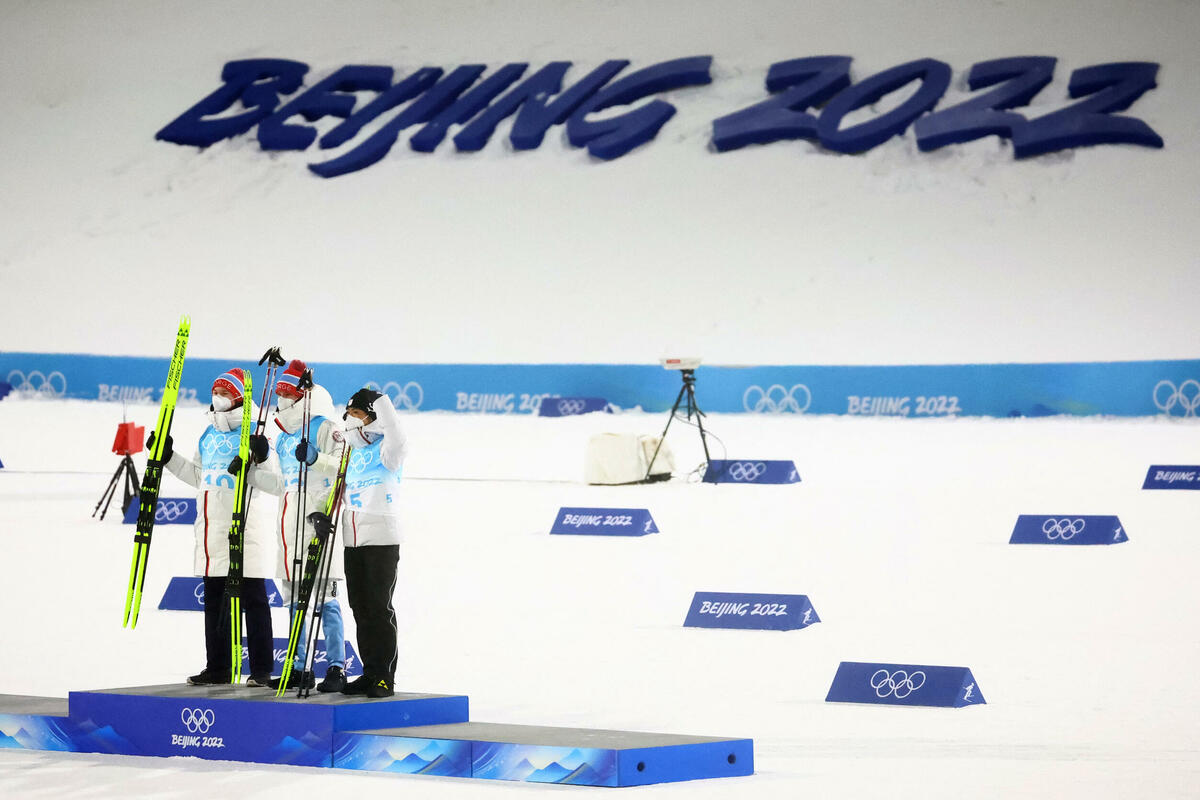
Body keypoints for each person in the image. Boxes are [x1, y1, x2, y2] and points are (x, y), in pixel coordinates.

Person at [150, 368, 276, 686]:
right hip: (210, 531)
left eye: (224, 393)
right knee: (215, 601)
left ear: (238, 398)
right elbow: (198, 476)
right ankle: (218, 667)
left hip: (244, 529)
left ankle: (262, 669)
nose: (217, 398)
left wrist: (262, 456)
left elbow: (275, 479)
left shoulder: (255, 431)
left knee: (254, 601)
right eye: (215, 392)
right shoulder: (208, 434)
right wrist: (168, 457)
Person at [251, 359, 348, 692]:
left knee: (325, 599)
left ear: (303, 395)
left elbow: (344, 466)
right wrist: (252, 471)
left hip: (319, 525)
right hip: (289, 532)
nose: (282, 400)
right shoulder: (284, 437)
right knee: (294, 601)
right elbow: (283, 484)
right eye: (280, 394)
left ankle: (336, 667)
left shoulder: (325, 427)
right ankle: (297, 666)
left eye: (288, 394)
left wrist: (316, 459)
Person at [309, 387, 406, 698]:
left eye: (358, 414)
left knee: (378, 608)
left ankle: (384, 677)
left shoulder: (387, 451)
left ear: (373, 417)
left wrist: (380, 400)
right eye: (348, 414)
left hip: (381, 539)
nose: (350, 420)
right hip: (352, 540)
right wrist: (320, 512)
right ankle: (369, 672)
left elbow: (397, 435)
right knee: (360, 609)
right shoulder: (351, 452)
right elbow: (337, 485)